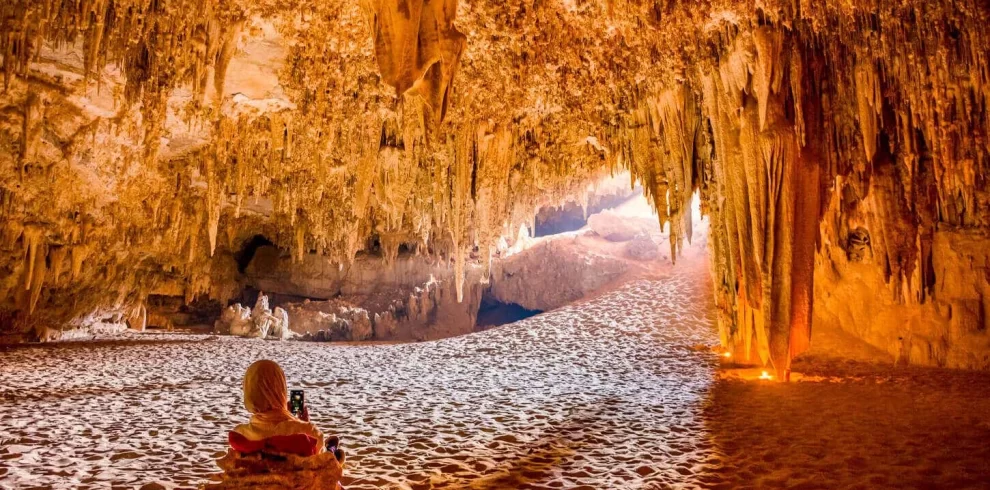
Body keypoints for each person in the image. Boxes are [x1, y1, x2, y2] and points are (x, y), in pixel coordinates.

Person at [233, 359, 344, 461]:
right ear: (281, 388)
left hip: (258, 480)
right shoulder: (307, 432)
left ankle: (331, 448)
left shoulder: (240, 434)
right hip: (302, 480)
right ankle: (331, 450)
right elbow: (319, 462)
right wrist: (303, 422)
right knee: (329, 456)